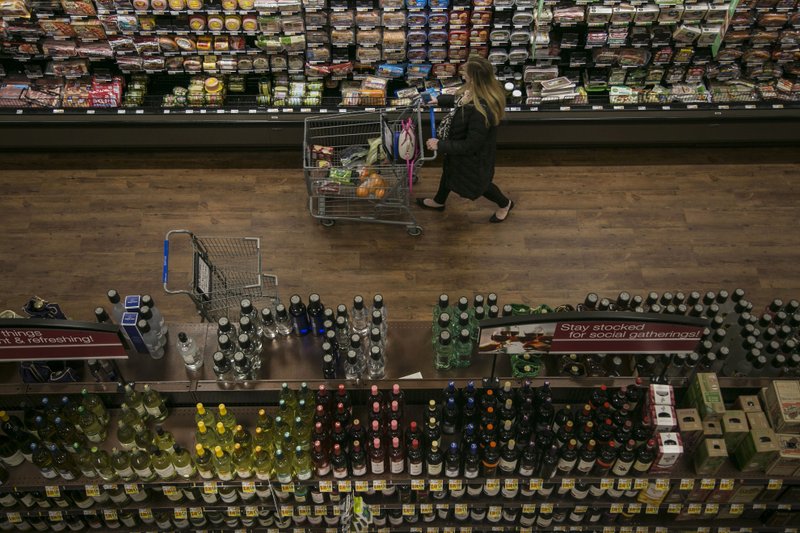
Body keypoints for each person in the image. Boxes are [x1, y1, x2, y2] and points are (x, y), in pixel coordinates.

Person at [416, 56, 514, 223]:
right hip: (459, 151)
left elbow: (471, 145)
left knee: (480, 185)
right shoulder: (476, 91)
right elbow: (460, 101)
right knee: (448, 174)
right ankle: (439, 201)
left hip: (474, 159)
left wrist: (440, 144)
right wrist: (438, 100)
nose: (463, 75)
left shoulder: (481, 111)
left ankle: (505, 204)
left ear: (475, 78)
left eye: (466, 73)